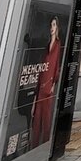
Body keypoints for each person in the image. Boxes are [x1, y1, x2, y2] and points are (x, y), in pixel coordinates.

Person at [30, 16, 62, 148]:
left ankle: (45, 143)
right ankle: (34, 145)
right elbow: (43, 65)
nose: (51, 28)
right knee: (37, 117)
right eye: (51, 25)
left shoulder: (58, 45)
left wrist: (53, 84)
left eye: (54, 25)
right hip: (41, 84)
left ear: (57, 27)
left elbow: (57, 66)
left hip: (49, 85)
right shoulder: (47, 45)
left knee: (46, 117)